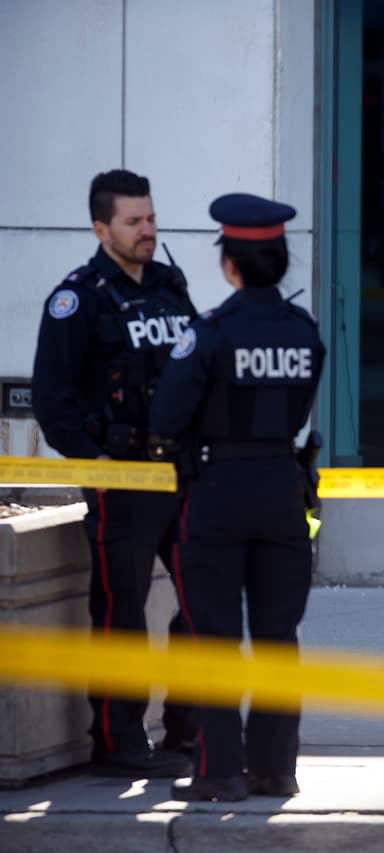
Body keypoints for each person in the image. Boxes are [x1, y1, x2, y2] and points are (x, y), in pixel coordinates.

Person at [150, 192, 326, 802]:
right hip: (283, 490)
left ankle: (218, 772)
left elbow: (167, 417)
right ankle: (276, 769)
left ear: (230, 265)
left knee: (215, 635)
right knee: (279, 636)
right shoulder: (305, 333)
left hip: (218, 494)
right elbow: (298, 410)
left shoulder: (211, 334)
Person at [31, 169, 197, 778]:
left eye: (151, 218)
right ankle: (118, 741)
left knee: (203, 597)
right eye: (134, 222)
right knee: (120, 612)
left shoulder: (169, 286)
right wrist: (91, 461)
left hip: (179, 472)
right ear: (101, 228)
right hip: (121, 478)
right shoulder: (78, 300)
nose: (147, 230)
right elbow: (53, 399)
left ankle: (188, 726)